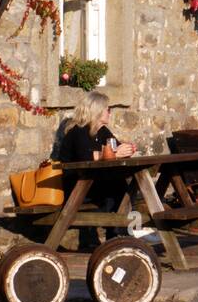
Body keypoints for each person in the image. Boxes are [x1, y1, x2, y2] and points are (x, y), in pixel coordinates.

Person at [54, 90, 137, 248]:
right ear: (97, 111)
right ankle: (117, 237)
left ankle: (118, 237)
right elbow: (84, 158)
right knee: (118, 189)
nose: (109, 112)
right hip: (76, 188)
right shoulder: (78, 132)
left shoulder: (102, 131)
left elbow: (115, 148)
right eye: (107, 109)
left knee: (124, 187)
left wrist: (127, 149)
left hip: (93, 185)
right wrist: (113, 153)